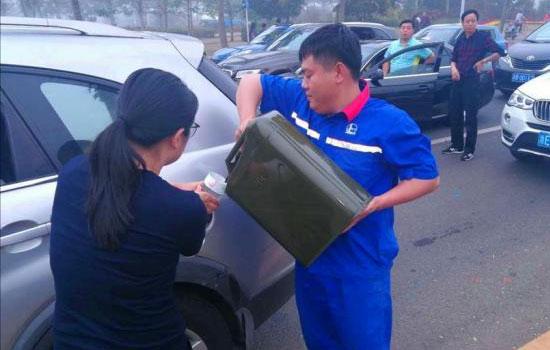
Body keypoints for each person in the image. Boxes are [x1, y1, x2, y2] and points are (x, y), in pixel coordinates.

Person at [235, 24, 439, 350]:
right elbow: (251, 82)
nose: (303, 83)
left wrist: (373, 204)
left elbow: (427, 178)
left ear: (339, 73)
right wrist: (247, 123)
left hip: (360, 271)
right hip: (310, 261)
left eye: (309, 74)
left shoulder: (389, 123)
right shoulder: (301, 102)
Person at [50, 68, 220, 350]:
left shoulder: (72, 173)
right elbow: (189, 241)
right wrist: (194, 204)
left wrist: (174, 191)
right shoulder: (181, 211)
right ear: (177, 137)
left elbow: (129, 196)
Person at [442, 9, 505, 161]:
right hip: (458, 81)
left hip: (472, 82)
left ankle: (469, 149)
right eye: (467, 21)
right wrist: (453, 68)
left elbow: (501, 52)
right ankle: (457, 145)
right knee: (455, 114)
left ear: (476, 22)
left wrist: (483, 61)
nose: (470, 23)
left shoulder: (483, 38)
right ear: (462, 23)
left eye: (473, 21)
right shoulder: (460, 39)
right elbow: (453, 58)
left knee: (470, 117)